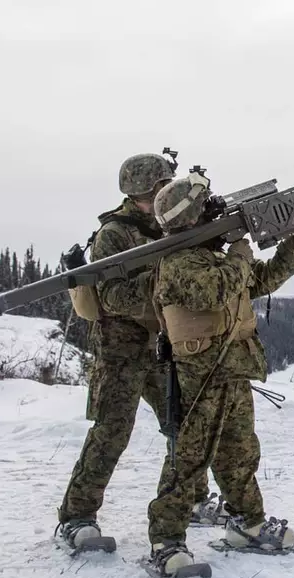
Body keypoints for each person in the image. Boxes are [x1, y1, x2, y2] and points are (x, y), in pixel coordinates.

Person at [143, 171, 294, 575]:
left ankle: (247, 523)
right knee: (188, 458)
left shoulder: (213, 258)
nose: (213, 211)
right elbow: (216, 290)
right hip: (201, 374)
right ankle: (166, 542)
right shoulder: (179, 262)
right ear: (191, 216)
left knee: (240, 452)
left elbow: (262, 280)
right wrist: (241, 249)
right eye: (205, 207)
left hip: (233, 368)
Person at [55, 153, 223, 551]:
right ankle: (76, 516)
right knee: (112, 431)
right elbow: (112, 297)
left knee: (183, 426)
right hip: (121, 348)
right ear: (141, 191)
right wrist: (165, 280)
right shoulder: (115, 233)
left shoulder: (170, 221)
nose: (166, 192)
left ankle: (194, 499)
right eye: (159, 187)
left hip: (162, 343)